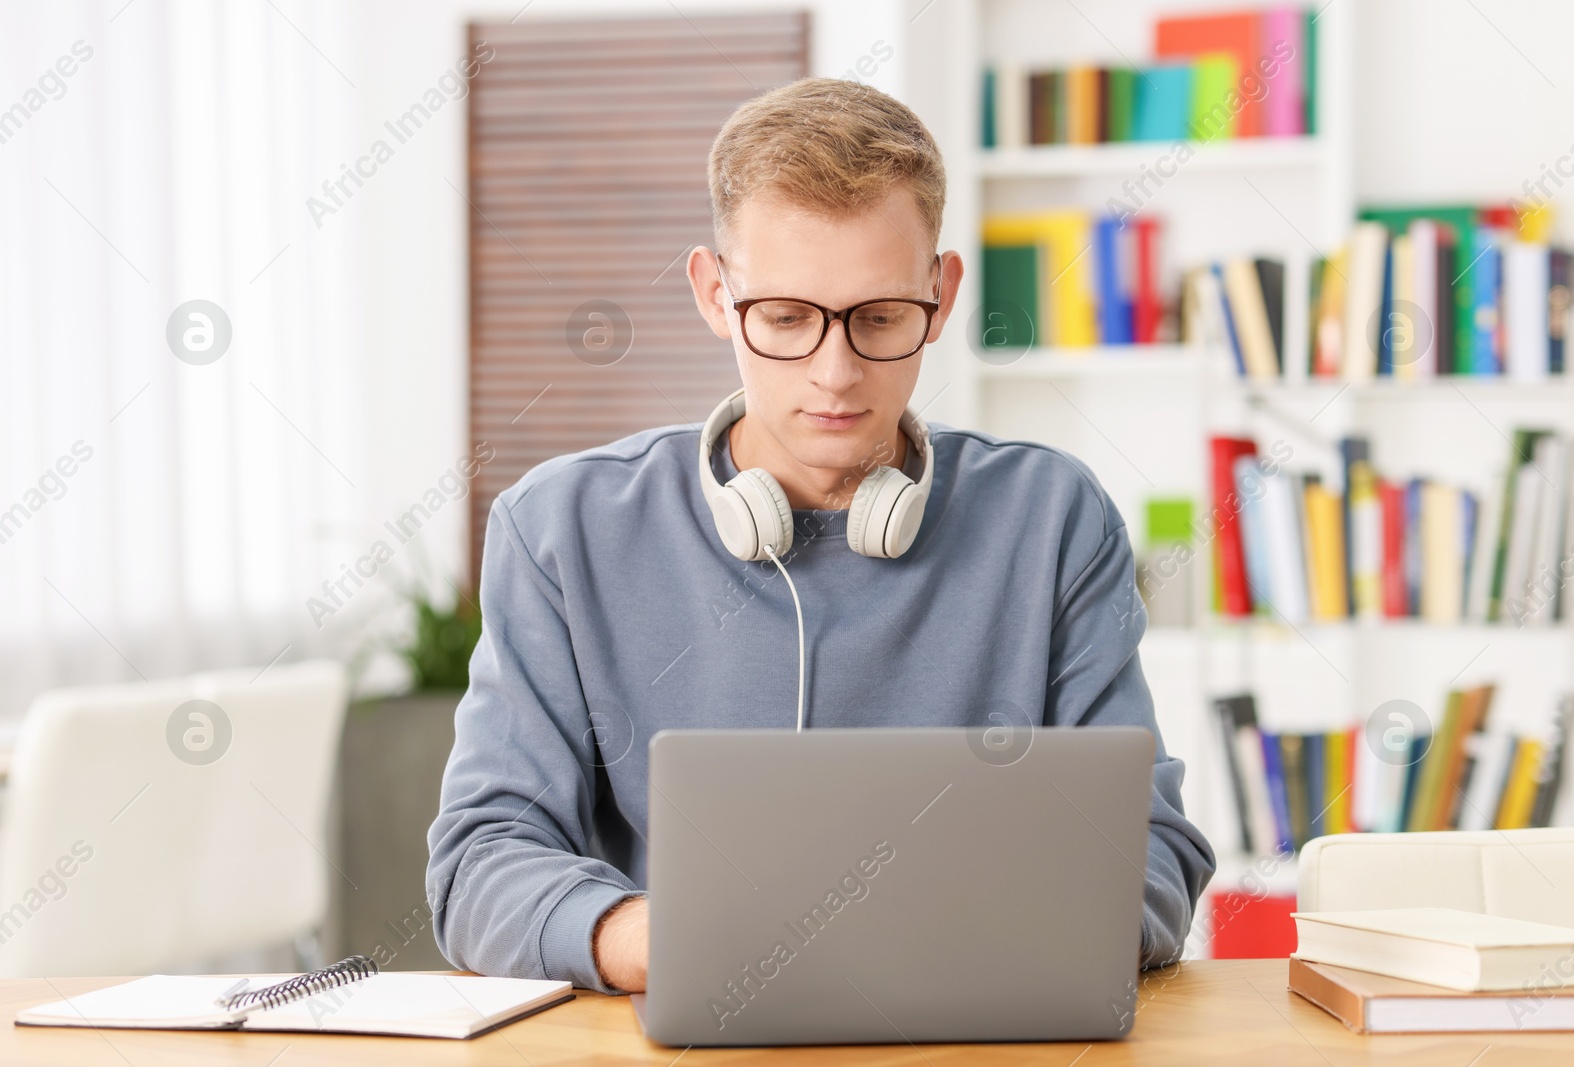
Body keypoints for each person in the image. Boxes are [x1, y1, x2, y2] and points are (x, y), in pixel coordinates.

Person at [426, 76, 1214, 995]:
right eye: (788, 319)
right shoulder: (558, 531)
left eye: (881, 319)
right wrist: (652, 937)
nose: (834, 373)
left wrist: (947, 937)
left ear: (942, 293)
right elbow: (479, 864)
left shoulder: (1054, 519)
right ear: (716, 296)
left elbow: (1151, 855)